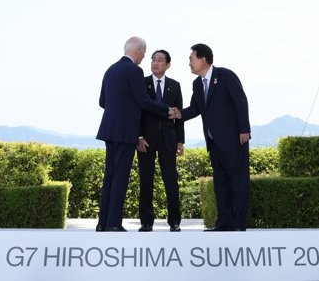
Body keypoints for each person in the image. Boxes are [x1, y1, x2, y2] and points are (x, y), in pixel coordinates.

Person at [96, 36, 178, 232]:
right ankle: (114, 223)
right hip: (125, 132)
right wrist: (167, 110)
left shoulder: (111, 69)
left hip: (109, 129)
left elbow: (103, 102)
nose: (144, 57)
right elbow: (143, 101)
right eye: (144, 52)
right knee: (120, 177)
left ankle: (103, 222)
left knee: (110, 176)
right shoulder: (134, 70)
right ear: (139, 51)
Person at [179, 43, 251, 231]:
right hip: (213, 143)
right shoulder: (197, 84)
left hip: (235, 140)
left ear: (203, 60)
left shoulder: (225, 75)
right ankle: (223, 222)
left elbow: (240, 102)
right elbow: (195, 109)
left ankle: (238, 223)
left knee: (238, 183)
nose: (189, 63)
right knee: (221, 185)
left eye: (191, 59)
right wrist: (177, 114)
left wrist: (244, 130)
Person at [136, 49, 184, 232]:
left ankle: (174, 221)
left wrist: (181, 141)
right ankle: (146, 222)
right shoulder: (142, 83)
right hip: (145, 141)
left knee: (171, 180)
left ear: (168, 65)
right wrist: (138, 137)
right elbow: (137, 112)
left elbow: (179, 116)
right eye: (153, 59)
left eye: (160, 60)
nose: (155, 63)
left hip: (168, 140)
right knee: (145, 181)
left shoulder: (175, 85)